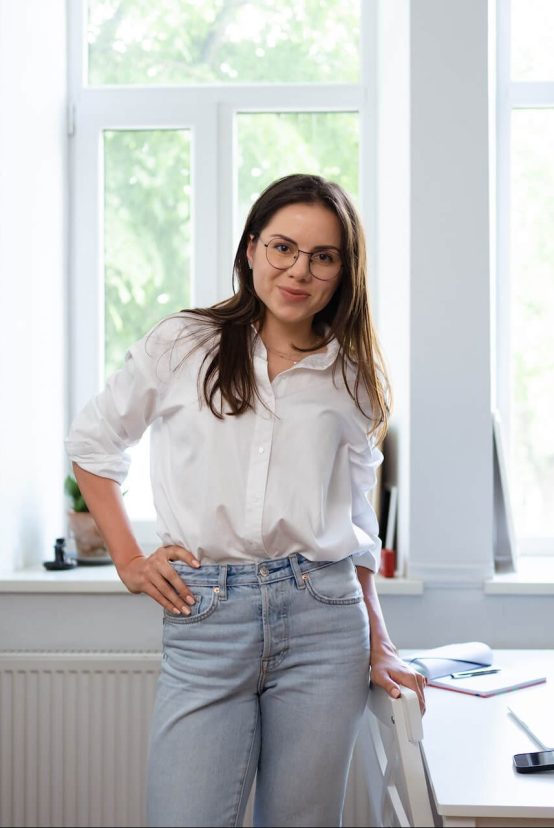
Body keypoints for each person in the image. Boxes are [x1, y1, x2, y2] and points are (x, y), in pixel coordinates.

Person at [65, 173, 426, 828]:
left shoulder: (353, 376)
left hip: (324, 616)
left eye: (323, 257)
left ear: (343, 272)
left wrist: (380, 641)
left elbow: (358, 525)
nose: (298, 271)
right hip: (208, 616)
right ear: (252, 248)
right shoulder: (184, 344)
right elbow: (94, 445)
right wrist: (129, 562)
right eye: (283, 247)